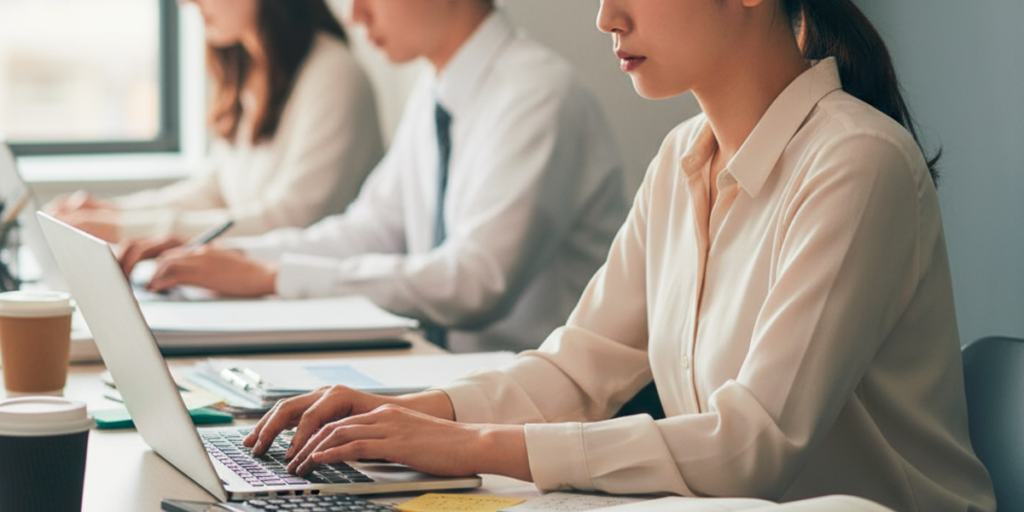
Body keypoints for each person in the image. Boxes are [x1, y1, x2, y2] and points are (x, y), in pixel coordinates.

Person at [238, 0, 998, 510]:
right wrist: (405, 414)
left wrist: (470, 444)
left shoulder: (856, 162)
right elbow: (578, 369)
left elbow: (755, 444)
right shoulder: (680, 158)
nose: (607, 16)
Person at [120, 0, 626, 354]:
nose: (356, 15)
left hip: (528, 398)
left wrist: (275, 277)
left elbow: (475, 283)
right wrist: (233, 259)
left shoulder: (537, 95)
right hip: (451, 372)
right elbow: (369, 229)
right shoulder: (437, 90)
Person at [47, 0, 383, 242]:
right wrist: (113, 212)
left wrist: (125, 229)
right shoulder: (248, 71)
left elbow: (293, 218)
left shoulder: (334, 74)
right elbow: (216, 189)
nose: (187, 3)